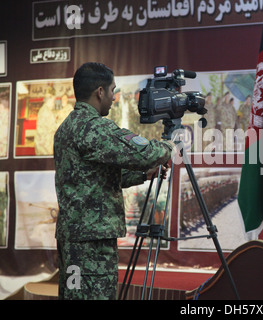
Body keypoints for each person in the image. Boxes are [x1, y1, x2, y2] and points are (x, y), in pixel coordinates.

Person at [54, 62, 174, 300]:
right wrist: (169, 147)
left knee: (74, 295)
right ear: (100, 91)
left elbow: (93, 177)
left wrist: (144, 175)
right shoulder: (93, 128)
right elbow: (144, 153)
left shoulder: (67, 128)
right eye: (112, 91)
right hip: (92, 243)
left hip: (74, 239)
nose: (114, 97)